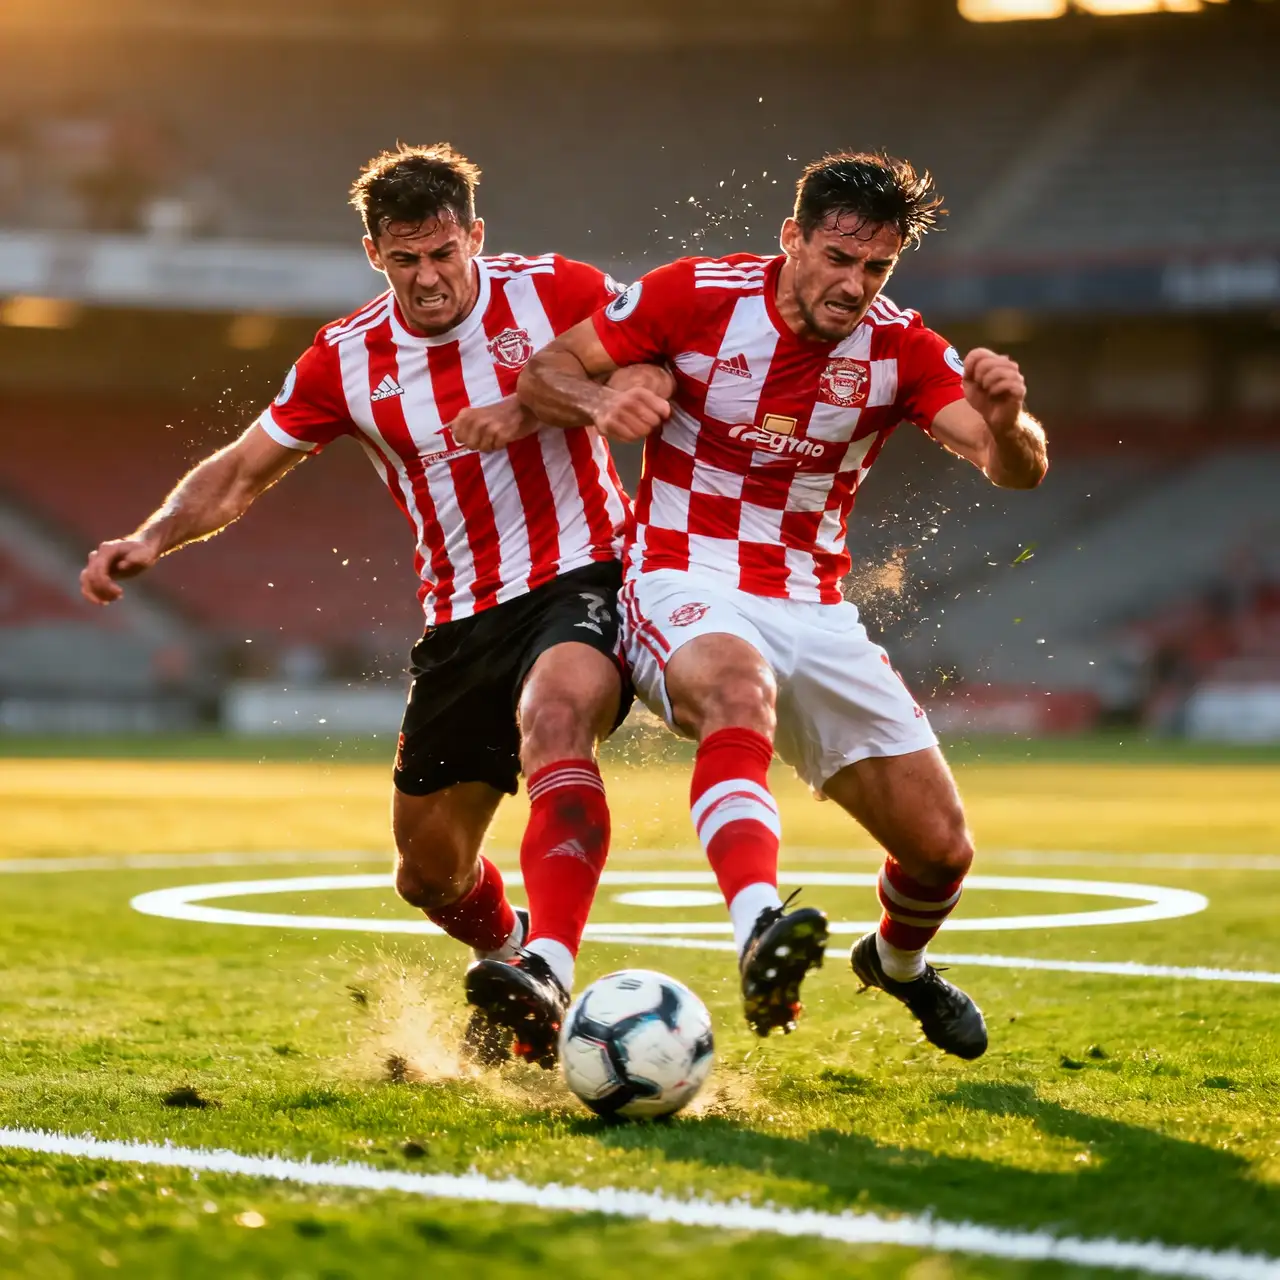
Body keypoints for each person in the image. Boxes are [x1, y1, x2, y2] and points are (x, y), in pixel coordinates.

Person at [79, 143, 666, 1069]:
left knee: (557, 716)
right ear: (373, 255)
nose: (428, 277)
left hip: (586, 574)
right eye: (405, 259)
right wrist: (153, 536)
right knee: (428, 873)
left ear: (476, 236)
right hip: (462, 615)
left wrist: (576, 402)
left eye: (443, 253)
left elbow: (661, 362)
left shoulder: (559, 291)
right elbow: (240, 471)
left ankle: (549, 969)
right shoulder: (345, 359)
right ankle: (508, 952)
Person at [507, 152, 1048, 1058]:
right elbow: (541, 374)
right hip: (683, 573)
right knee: (736, 685)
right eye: (839, 257)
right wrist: (600, 401)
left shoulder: (902, 347)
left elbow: (1012, 468)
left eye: (876, 267)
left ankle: (898, 964)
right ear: (792, 238)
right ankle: (761, 924)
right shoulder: (694, 295)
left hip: (814, 606)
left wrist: (1006, 420)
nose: (855, 285)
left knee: (942, 851)